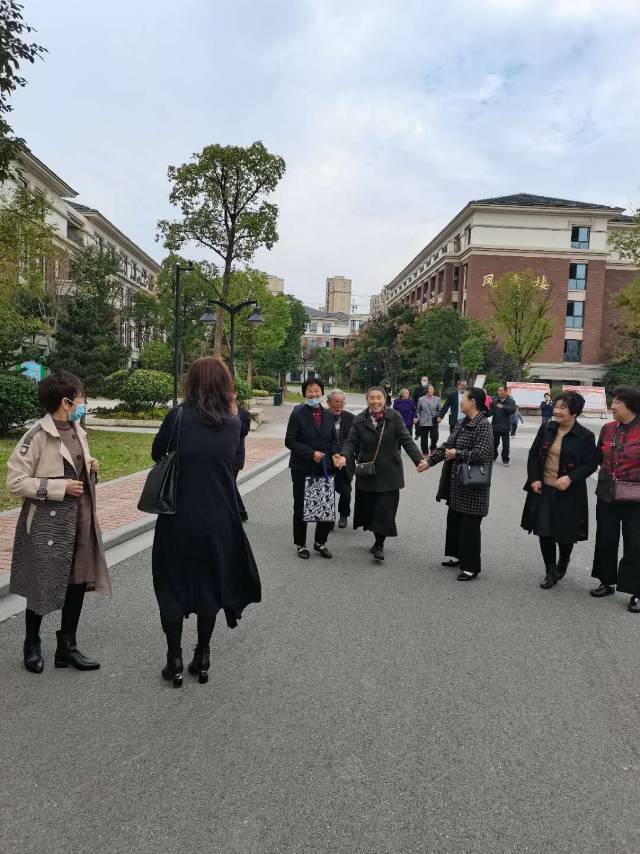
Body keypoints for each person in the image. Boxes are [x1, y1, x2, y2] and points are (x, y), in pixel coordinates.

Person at [151, 357, 261, 687]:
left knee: (171, 584)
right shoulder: (234, 422)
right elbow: (236, 463)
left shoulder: (178, 417)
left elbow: (157, 453)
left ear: (192, 382)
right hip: (219, 517)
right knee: (210, 585)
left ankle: (173, 659)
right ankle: (203, 655)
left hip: (178, 517)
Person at [7, 370, 109, 674]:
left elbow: (77, 468)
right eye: (79, 397)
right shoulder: (37, 436)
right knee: (41, 582)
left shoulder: (78, 430)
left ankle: (67, 646)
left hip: (80, 519)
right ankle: (32, 643)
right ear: (66, 402)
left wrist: (91, 468)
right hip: (47, 525)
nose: (83, 402)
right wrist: (58, 487)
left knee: (77, 581)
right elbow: (14, 482)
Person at [334, 387, 427, 561]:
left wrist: (419, 460)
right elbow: (351, 441)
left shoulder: (394, 416)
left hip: (390, 473)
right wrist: (344, 456)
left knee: (385, 510)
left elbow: (406, 439)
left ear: (385, 400)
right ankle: (377, 539)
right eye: (372, 398)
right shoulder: (360, 419)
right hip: (368, 472)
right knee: (370, 509)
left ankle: (379, 544)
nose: (375, 401)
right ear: (367, 400)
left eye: (379, 398)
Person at [521, 392, 598, 589]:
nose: (557, 410)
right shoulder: (547, 427)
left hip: (569, 491)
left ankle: (563, 562)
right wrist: (534, 478)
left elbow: (591, 463)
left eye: (563, 407)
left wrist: (570, 478)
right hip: (544, 489)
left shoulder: (585, 436)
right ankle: (550, 571)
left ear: (574, 412)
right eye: (556, 406)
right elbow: (534, 454)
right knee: (544, 531)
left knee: (565, 533)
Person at [425, 387, 493, 581]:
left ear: (473, 402)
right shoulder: (462, 422)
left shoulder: (483, 425)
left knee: (470, 527)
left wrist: (458, 454)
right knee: (455, 521)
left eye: (464, 398)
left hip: (473, 485)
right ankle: (457, 556)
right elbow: (447, 445)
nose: (460, 401)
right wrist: (429, 462)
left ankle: (471, 567)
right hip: (458, 484)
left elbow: (482, 453)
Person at [590, 385, 640, 613]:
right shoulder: (608, 428)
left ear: (631, 405)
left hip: (635, 499)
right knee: (606, 538)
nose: (612, 405)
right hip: (607, 494)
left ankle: (636, 591)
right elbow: (595, 457)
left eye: (617, 401)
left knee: (635, 543)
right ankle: (606, 581)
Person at [285, 378, 338, 559]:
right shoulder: (298, 413)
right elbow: (290, 441)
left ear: (322, 393)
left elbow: (333, 440)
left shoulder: (328, 414)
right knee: (301, 506)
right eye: (309, 390)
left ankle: (320, 543)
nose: (313, 394)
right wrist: (310, 453)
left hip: (324, 467)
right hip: (302, 466)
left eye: (317, 390)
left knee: (324, 504)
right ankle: (301, 544)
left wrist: (336, 454)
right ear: (304, 393)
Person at [326, 389, 355, 529]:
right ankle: (329, 519)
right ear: (328, 403)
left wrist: (344, 456)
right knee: (327, 490)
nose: (339, 405)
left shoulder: (351, 418)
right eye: (335, 402)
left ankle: (343, 514)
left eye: (341, 402)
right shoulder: (323, 417)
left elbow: (354, 440)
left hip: (345, 461)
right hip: (327, 461)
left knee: (345, 492)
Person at [234, 401, 251, 522]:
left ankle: (241, 512)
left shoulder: (243, 413)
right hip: (222, 456)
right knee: (228, 484)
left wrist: (235, 415)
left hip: (236, 457)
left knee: (229, 483)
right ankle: (239, 512)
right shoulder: (219, 410)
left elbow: (244, 431)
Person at [490, 386, 516, 465]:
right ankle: (493, 456)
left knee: (506, 445)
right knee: (494, 444)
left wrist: (503, 407)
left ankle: (505, 459)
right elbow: (490, 412)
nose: (499, 392)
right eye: (498, 390)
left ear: (505, 392)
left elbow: (513, 410)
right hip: (495, 426)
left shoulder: (511, 401)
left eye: (501, 390)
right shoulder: (494, 401)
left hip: (505, 426)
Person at [415, 383, 441, 455]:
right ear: (427, 390)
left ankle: (433, 448)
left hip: (434, 420)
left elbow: (439, 409)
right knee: (424, 438)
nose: (432, 390)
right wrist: (418, 418)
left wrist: (439, 416)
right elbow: (418, 410)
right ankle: (425, 452)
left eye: (433, 389)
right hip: (424, 420)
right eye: (431, 389)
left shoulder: (437, 399)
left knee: (435, 436)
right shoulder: (421, 399)